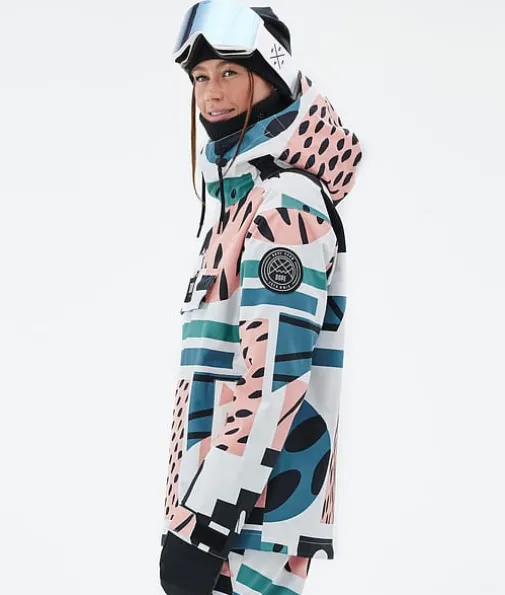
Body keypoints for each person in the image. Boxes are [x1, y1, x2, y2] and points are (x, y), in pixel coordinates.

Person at [159, 2, 363, 594]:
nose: (211, 93)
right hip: (221, 511)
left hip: (253, 524)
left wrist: (205, 525)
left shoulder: (285, 204)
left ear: (271, 77)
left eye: (230, 72)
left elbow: (273, 377)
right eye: (201, 76)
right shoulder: (240, 201)